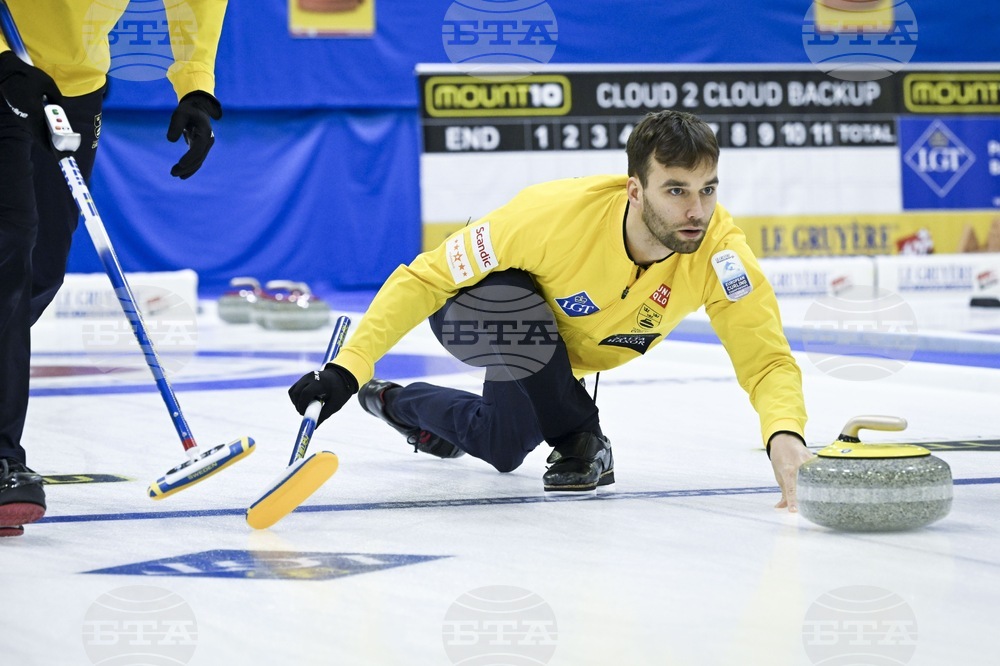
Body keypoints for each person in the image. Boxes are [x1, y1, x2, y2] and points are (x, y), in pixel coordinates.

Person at [289, 110, 815, 508]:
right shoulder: (550, 218)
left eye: (707, 190)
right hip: (475, 310)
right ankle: (580, 435)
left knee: (500, 446)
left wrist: (784, 434)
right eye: (676, 190)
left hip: (552, 359)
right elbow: (425, 278)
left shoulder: (721, 255)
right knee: (514, 295)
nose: (695, 211)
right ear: (635, 190)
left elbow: (765, 358)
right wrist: (348, 370)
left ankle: (399, 406)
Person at [0, 0, 228, 536]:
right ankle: (4, 459)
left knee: (40, 270)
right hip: (7, 62)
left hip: (75, 84)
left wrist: (193, 82)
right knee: (10, 247)